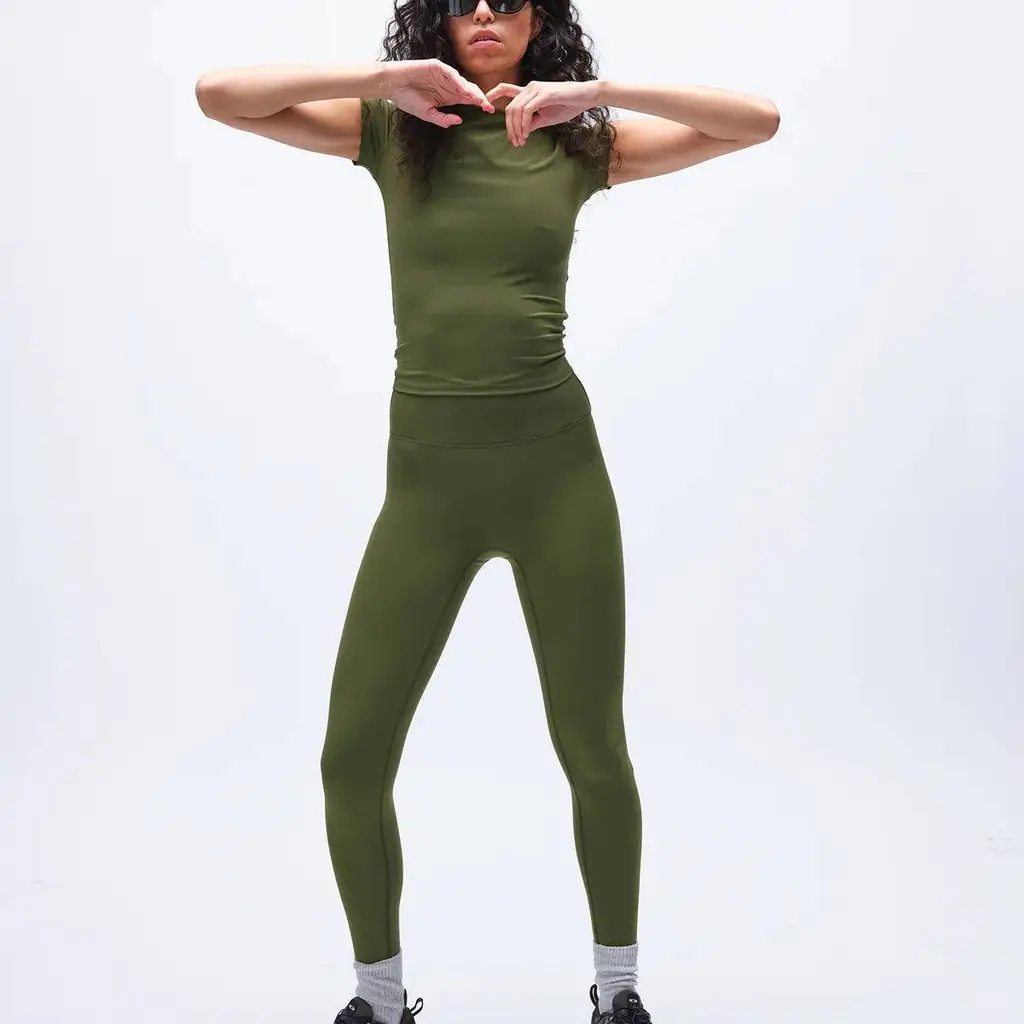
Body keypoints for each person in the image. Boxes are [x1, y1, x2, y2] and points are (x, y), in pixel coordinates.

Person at [195, 1, 779, 1021]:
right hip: (427, 491)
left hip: (558, 480)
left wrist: (595, 94)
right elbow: (218, 97)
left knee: (592, 747)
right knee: (351, 756)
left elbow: (756, 121)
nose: (481, 14)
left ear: (538, 18)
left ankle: (618, 993)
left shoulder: (580, 145)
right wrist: (380, 82)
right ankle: (379, 999)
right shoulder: (391, 131)